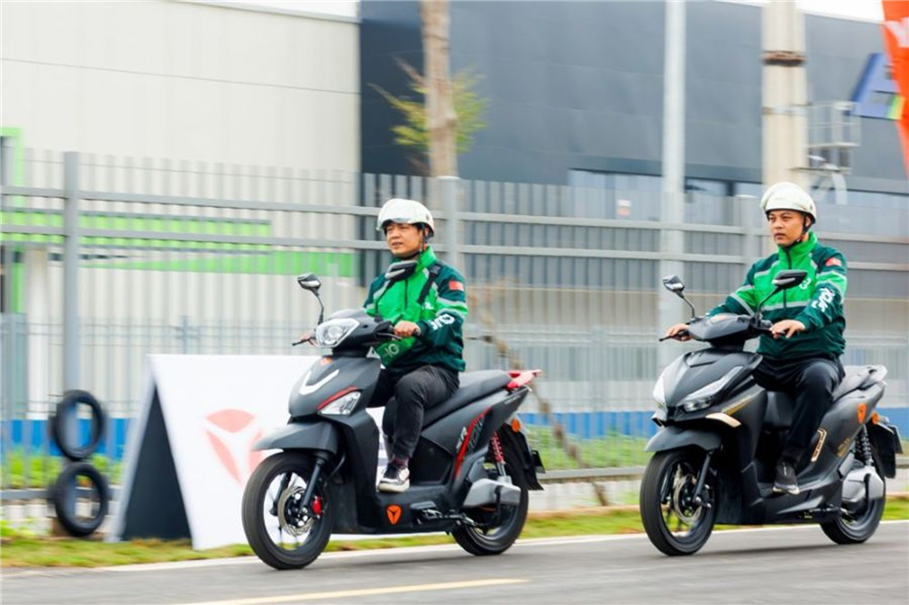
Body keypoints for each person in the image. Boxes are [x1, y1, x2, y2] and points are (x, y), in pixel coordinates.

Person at [664, 182, 847, 495]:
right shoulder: (763, 270)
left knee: (817, 379)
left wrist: (803, 321)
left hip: (815, 357)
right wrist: (695, 326)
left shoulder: (827, 259)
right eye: (772, 218)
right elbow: (734, 306)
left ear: (806, 221)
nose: (777, 225)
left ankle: (789, 462)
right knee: (727, 380)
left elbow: (828, 294)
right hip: (771, 358)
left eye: (786, 218)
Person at [364, 198, 468, 493]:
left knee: (409, 387)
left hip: (438, 369)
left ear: (424, 232)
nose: (394, 235)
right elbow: (364, 320)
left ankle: (399, 466)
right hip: (395, 369)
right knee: (347, 387)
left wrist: (420, 327)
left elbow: (452, 317)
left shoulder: (446, 278)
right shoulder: (381, 285)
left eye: (403, 227)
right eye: (389, 229)